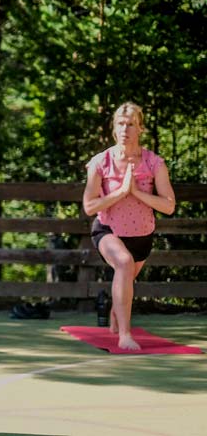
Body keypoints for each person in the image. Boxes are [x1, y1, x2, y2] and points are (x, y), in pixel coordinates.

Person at [82, 102, 174, 351]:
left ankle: (115, 312)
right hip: (108, 230)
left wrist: (136, 192)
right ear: (114, 129)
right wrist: (122, 192)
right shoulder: (101, 162)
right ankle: (125, 335)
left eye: (131, 124)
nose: (125, 129)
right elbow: (90, 207)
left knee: (125, 282)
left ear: (140, 128)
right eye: (120, 124)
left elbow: (168, 206)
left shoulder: (154, 163)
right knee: (123, 263)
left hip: (142, 236)